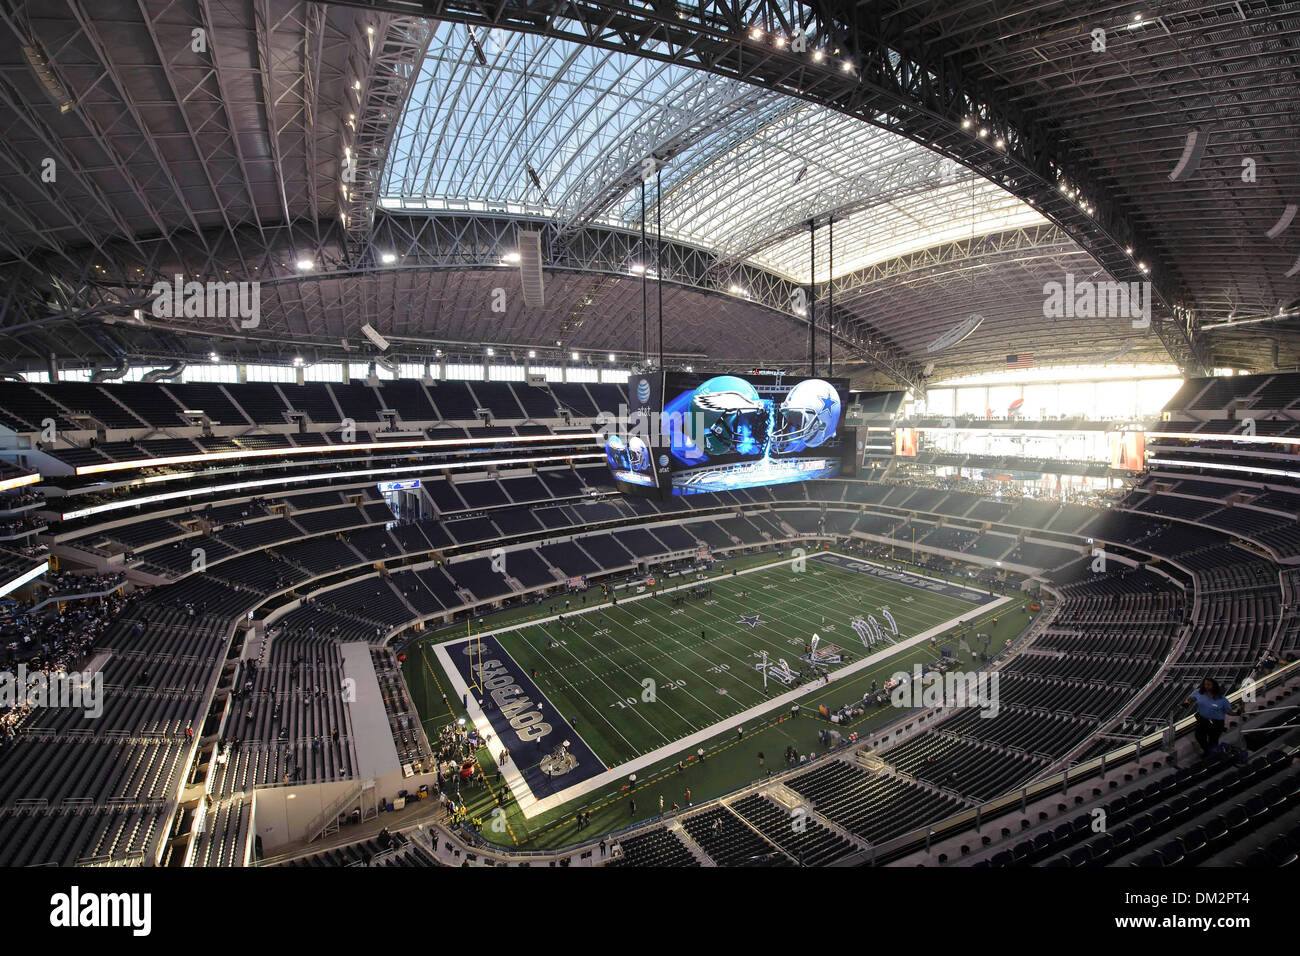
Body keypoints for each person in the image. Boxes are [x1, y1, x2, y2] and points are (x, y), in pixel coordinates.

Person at [1185, 678, 1242, 756]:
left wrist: (1237, 713)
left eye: (1208, 685)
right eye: (1205, 684)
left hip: (1216, 723)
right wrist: (1187, 703)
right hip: (1202, 720)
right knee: (1199, 736)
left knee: (1213, 741)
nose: (1206, 686)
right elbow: (1190, 698)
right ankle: (1208, 752)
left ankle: (1212, 755)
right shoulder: (1198, 692)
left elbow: (1229, 712)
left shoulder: (1222, 700)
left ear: (1214, 686)